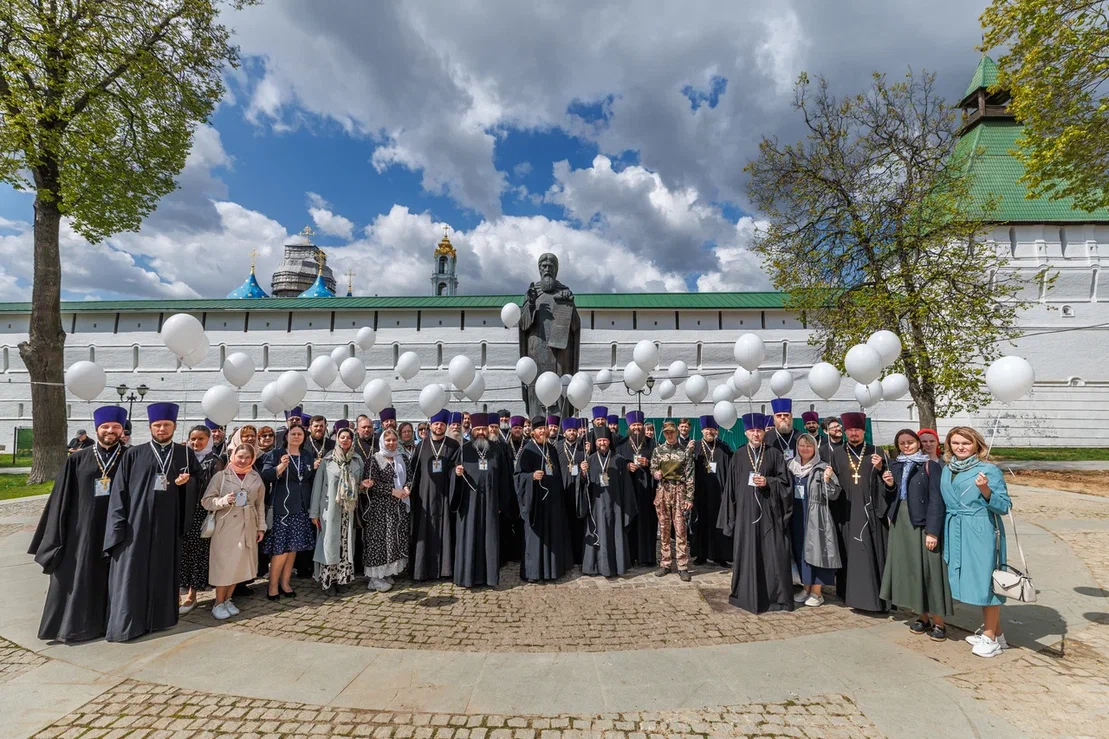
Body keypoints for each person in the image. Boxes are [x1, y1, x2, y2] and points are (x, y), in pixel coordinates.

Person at [29, 405, 127, 643]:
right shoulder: (77, 459)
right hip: (82, 528)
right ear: (97, 429)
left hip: (118, 528)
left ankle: (111, 624)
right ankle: (75, 627)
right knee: (78, 575)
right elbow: (61, 498)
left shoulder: (130, 457)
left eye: (116, 427)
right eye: (105, 427)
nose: (110, 431)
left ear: (122, 430)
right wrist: (56, 533)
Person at [103, 402, 199, 642]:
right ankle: (130, 624)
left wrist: (187, 483)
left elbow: (199, 483)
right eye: (157, 425)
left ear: (174, 426)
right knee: (132, 573)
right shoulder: (134, 454)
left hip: (168, 524)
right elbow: (119, 490)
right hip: (136, 525)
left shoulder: (185, 454)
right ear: (150, 427)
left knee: (163, 571)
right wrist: (118, 525)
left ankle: (161, 620)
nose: (161, 429)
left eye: (166, 425)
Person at [941, 426, 1012, 658]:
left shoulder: (988, 469)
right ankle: (998, 635)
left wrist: (985, 490)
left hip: (981, 530)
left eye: (966, 443)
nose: (960, 447)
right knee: (970, 582)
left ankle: (989, 639)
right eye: (955, 443)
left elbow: (1005, 506)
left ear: (976, 445)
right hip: (955, 528)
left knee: (986, 582)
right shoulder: (947, 469)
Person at [880, 429, 951, 640]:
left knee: (930, 570)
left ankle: (939, 621)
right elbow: (890, 497)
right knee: (913, 570)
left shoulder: (929, 465)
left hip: (922, 524)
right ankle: (922, 616)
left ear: (918, 443)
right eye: (902, 443)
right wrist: (889, 486)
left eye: (910, 442)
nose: (906, 446)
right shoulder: (895, 465)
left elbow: (937, 500)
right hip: (901, 522)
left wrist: (933, 531)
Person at [718, 413, 792, 613]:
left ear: (764, 432)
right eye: (752, 431)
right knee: (747, 553)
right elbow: (730, 489)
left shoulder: (774, 454)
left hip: (769, 513)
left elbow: (785, 483)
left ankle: (774, 597)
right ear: (746, 433)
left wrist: (769, 482)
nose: (756, 434)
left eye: (759, 430)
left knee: (772, 554)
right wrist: (731, 518)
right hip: (745, 515)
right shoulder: (738, 455)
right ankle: (745, 594)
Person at [826, 412, 890, 612]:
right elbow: (833, 484)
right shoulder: (837, 453)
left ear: (863, 431)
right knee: (849, 554)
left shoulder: (876, 451)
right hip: (846, 512)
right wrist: (827, 479)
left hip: (871, 512)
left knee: (872, 553)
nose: (854, 433)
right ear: (845, 432)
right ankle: (849, 596)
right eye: (850, 430)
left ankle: (878, 599)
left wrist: (880, 468)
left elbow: (888, 482)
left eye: (857, 430)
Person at [201, 443, 266, 619]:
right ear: (233, 456)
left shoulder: (255, 477)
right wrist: (223, 500)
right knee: (224, 566)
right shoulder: (221, 476)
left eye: (247, 457)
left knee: (239, 565)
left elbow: (260, 504)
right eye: (240, 456)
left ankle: (228, 599)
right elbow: (206, 501)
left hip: (248, 525)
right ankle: (218, 602)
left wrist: (261, 527)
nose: (243, 460)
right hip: (226, 526)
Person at [451, 414, 512, 587]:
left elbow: (504, 478)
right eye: (477, 429)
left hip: (491, 502)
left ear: (488, 430)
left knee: (489, 537)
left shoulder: (497, 450)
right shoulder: (464, 449)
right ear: (472, 430)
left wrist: (502, 503)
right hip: (469, 503)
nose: (480, 432)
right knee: (469, 537)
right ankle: (468, 577)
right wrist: (456, 473)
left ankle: (489, 577)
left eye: (483, 429)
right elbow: (452, 472)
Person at [514, 415, 572, 582]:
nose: (543, 431)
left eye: (545, 428)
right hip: (536, 501)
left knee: (553, 534)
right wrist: (531, 476)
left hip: (552, 501)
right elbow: (518, 476)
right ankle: (534, 572)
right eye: (540, 429)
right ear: (533, 432)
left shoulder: (551, 449)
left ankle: (552, 570)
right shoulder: (527, 450)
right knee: (536, 538)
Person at [261, 425, 316, 599]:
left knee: (293, 548)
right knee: (281, 549)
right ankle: (272, 586)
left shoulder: (307, 455)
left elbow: (308, 479)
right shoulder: (276, 453)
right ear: (286, 436)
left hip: (301, 507)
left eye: (300, 434)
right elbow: (266, 475)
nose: (296, 436)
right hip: (282, 507)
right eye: (293, 434)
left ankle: (285, 583)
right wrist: (280, 467)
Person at [406, 409, 461, 580]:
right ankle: (422, 570)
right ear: (430, 426)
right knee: (424, 531)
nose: (439, 427)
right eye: (436, 424)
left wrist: (455, 472)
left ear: (446, 426)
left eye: (442, 424)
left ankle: (445, 570)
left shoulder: (453, 445)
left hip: (445, 495)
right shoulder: (422, 445)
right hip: (425, 495)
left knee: (445, 530)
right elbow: (413, 471)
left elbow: (455, 468)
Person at [789, 434, 840, 608]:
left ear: (815, 449)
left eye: (809, 446)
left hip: (816, 516)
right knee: (801, 552)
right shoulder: (791, 466)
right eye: (802, 445)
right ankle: (806, 587)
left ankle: (817, 592)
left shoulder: (822, 468)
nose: (805, 449)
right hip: (796, 516)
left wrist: (827, 480)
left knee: (817, 551)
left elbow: (834, 494)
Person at [577, 426, 637, 577]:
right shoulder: (589, 460)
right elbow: (584, 484)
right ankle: (596, 567)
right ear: (595, 443)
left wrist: (626, 507)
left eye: (604, 440)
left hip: (616, 505)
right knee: (598, 532)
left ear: (609, 441)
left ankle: (617, 566)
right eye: (599, 440)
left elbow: (627, 486)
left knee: (615, 534)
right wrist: (583, 473)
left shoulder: (619, 460)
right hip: (596, 505)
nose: (602, 443)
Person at [310, 427, 362, 595]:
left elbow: (358, 486)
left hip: (348, 511)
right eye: (342, 437)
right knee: (329, 545)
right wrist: (314, 513)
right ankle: (328, 581)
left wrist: (363, 486)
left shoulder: (357, 460)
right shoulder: (328, 460)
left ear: (352, 440)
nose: (345, 440)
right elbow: (317, 487)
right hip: (330, 509)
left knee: (345, 546)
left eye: (348, 437)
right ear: (337, 439)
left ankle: (342, 579)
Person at [179, 424, 225, 615]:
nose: (196, 442)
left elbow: (216, 487)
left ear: (209, 440)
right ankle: (177, 591)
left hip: (201, 512)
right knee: (181, 553)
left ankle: (192, 594)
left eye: (201, 439)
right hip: (181, 511)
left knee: (198, 554)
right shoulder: (182, 457)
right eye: (193, 439)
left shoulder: (215, 461)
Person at [360, 428, 411, 592]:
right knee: (379, 541)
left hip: (397, 507)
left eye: (394, 440)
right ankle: (375, 578)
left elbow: (410, 477)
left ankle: (387, 572)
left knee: (392, 540)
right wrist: (392, 491)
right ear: (382, 441)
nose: (391, 443)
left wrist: (407, 487)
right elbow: (372, 484)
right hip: (380, 508)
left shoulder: (402, 458)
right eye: (388, 440)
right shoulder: (374, 459)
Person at [650, 420, 695, 581]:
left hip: (679, 491)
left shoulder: (685, 451)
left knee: (680, 528)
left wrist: (689, 497)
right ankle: (665, 563)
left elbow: (690, 476)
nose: (669, 435)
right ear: (664, 434)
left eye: (672, 432)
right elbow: (653, 467)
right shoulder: (658, 450)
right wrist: (655, 473)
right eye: (666, 433)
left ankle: (682, 565)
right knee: (664, 528)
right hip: (663, 490)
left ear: (676, 432)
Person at [690, 415, 733, 567]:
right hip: (700, 493)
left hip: (719, 495)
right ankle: (701, 555)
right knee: (700, 524)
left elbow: (731, 471)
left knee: (719, 525)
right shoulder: (695, 446)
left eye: (712, 429)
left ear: (717, 431)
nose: (709, 432)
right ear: (702, 430)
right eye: (707, 429)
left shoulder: (724, 448)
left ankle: (720, 556)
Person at [618, 411, 657, 567]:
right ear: (629, 427)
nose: (636, 428)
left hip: (647, 491)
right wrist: (627, 466)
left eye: (639, 425)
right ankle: (630, 556)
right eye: (633, 425)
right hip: (629, 490)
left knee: (647, 523)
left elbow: (660, 463)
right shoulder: (621, 445)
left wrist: (649, 463)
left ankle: (646, 558)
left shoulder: (652, 444)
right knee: (630, 522)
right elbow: (616, 464)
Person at [557, 417, 588, 565]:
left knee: (578, 526)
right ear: (564, 433)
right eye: (569, 430)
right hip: (562, 491)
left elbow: (587, 473)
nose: (572, 433)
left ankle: (578, 557)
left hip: (578, 492)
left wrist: (583, 473)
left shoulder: (583, 449)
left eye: (574, 430)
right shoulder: (557, 448)